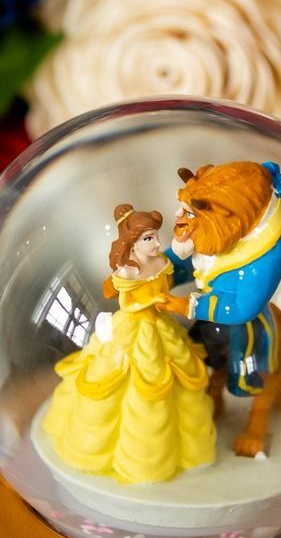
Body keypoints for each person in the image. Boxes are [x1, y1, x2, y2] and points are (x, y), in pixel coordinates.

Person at [42, 204, 218, 484]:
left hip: (161, 326)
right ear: (133, 242)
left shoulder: (161, 262)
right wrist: (152, 302)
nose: (156, 243)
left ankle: (179, 452)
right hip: (133, 327)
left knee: (175, 378)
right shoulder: (128, 271)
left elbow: (168, 285)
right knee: (119, 379)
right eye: (148, 238)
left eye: (156, 237)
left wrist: (167, 303)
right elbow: (128, 303)